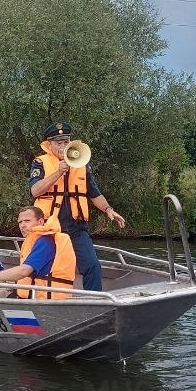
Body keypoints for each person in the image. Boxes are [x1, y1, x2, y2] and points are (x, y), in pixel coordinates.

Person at [29, 122, 125, 293]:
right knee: (47, 266)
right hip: (50, 227)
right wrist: (58, 172)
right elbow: (35, 191)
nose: (63, 146)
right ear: (48, 144)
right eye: (58, 143)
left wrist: (109, 210)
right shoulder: (40, 163)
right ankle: (39, 298)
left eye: (66, 142)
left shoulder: (82, 165)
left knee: (92, 266)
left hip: (76, 227)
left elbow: (94, 193)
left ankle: (92, 301)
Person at [0, 206, 76, 300]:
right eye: (20, 222)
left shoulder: (45, 241)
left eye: (27, 221)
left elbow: (24, 271)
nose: (22, 225)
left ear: (40, 222)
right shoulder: (38, 240)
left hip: (37, 300)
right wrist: (14, 281)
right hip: (31, 293)